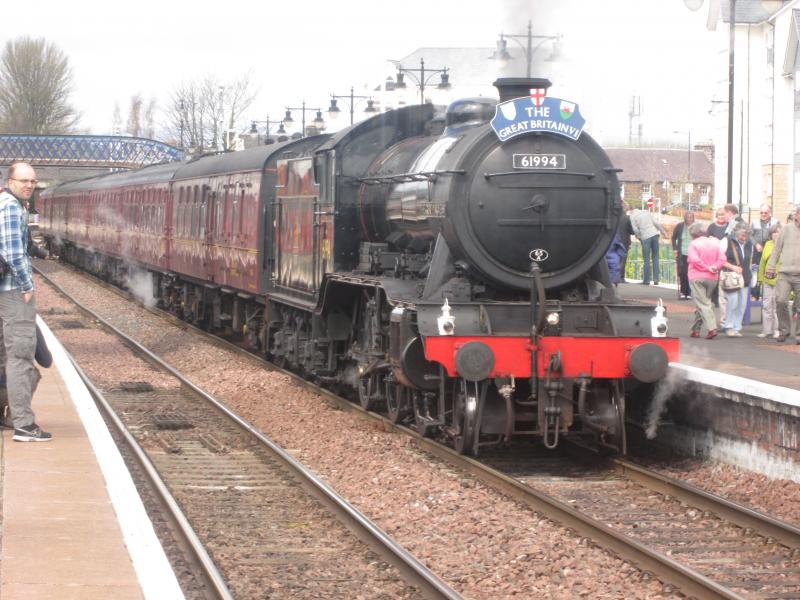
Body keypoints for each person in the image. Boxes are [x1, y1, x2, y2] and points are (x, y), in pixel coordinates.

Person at [0, 162, 51, 441]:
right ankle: (23, 425)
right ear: (10, 181)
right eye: (23, 181)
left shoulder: (13, 204)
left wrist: (40, 253)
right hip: (12, 291)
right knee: (20, 356)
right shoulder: (9, 206)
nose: (29, 185)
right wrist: (27, 285)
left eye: (33, 181)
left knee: (5, 356)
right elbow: (13, 251)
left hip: (4, 289)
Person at [766, 204, 800, 343]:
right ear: (797, 215)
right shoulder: (786, 229)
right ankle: (784, 330)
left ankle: (799, 334)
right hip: (784, 274)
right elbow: (776, 250)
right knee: (780, 301)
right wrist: (770, 267)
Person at [687, 223, 727, 339]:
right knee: (703, 303)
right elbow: (722, 259)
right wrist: (714, 266)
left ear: (693, 234)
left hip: (697, 276)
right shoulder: (715, 243)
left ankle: (712, 328)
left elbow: (694, 260)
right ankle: (695, 329)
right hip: (712, 277)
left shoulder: (693, 244)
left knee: (703, 304)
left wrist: (706, 267)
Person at [721, 223, 754, 337]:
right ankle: (729, 326)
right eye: (742, 235)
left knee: (742, 304)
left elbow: (749, 261)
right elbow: (720, 259)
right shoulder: (727, 241)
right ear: (736, 232)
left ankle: (737, 327)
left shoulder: (749, 244)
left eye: (746, 235)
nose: (744, 238)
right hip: (731, 277)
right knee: (732, 302)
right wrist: (733, 267)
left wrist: (749, 275)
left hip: (744, 277)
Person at [630, 206, 667, 285]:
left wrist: (639, 236)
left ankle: (646, 280)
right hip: (654, 235)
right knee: (655, 258)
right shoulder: (646, 212)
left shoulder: (632, 216)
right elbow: (656, 223)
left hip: (645, 237)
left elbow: (635, 229)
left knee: (646, 259)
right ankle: (656, 279)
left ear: (631, 211)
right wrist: (663, 232)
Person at [757, 223, 782, 339]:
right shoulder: (767, 244)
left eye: (777, 232)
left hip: (780, 280)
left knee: (776, 306)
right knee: (766, 305)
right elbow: (762, 262)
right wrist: (760, 278)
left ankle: (777, 330)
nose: (775, 235)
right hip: (767, 279)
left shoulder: (784, 245)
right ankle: (766, 330)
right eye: (773, 233)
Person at [671, 211, 695, 299]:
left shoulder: (695, 227)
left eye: (691, 217)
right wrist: (675, 249)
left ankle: (688, 292)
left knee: (690, 273)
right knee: (682, 272)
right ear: (685, 218)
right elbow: (673, 238)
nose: (689, 219)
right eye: (688, 217)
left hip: (693, 254)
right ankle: (682, 291)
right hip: (682, 253)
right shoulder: (680, 226)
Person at [617, 203, 634, 283]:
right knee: (623, 260)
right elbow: (631, 231)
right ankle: (621, 278)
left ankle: (614, 277)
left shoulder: (615, 218)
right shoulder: (627, 218)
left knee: (615, 258)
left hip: (615, 241)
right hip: (625, 241)